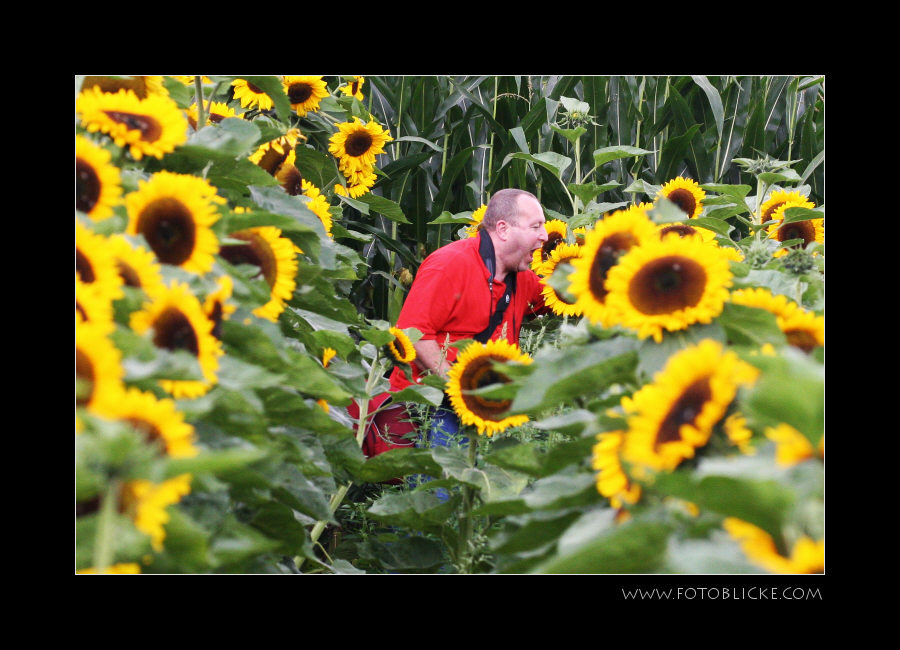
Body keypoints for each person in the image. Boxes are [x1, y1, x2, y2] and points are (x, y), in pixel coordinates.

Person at [388, 188, 550, 457]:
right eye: (536, 226)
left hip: (489, 404)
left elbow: (564, 294)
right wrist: (461, 390)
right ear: (503, 229)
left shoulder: (522, 278)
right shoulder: (449, 264)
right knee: (444, 490)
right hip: (433, 403)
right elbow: (412, 334)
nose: (544, 236)